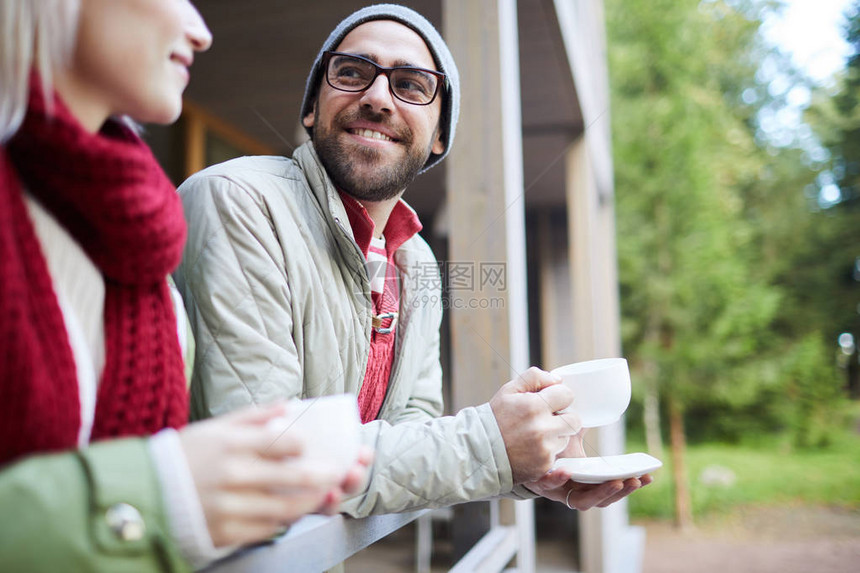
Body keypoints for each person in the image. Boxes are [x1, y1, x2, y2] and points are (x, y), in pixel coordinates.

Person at [176, 3, 650, 519]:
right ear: (311, 107)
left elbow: (404, 439)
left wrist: (525, 466)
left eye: (411, 84)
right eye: (352, 72)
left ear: (439, 134)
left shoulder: (414, 261)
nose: (378, 97)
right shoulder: (237, 201)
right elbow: (269, 457)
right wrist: (489, 444)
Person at [0, 1, 369, 571]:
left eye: (415, 85)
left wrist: (213, 496)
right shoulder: (229, 200)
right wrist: (161, 495)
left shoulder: (143, 257)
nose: (200, 33)